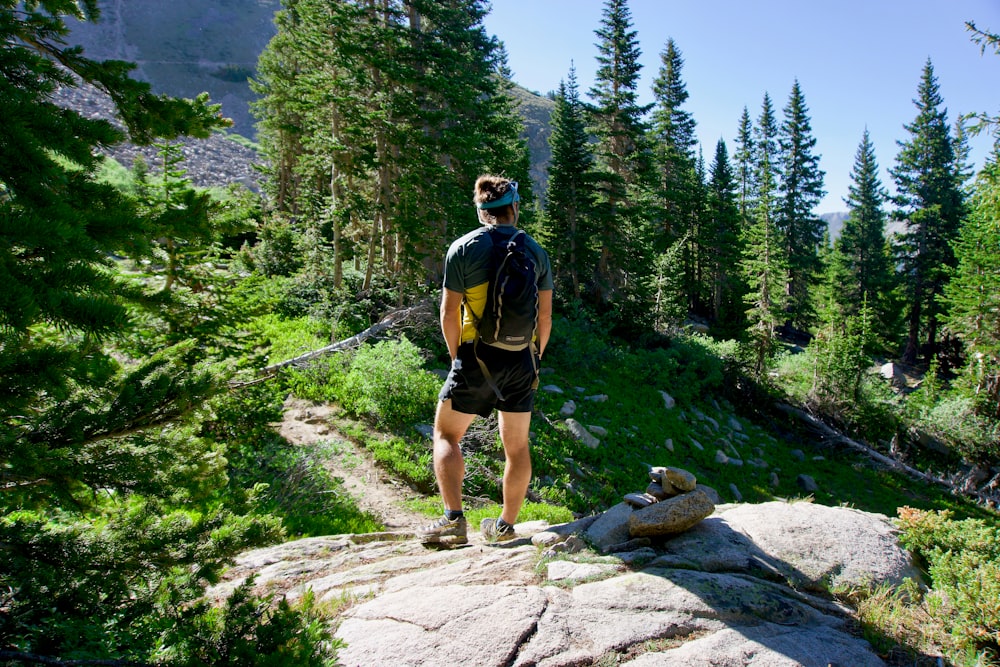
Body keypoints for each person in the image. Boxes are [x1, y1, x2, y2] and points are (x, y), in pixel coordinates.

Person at [418, 175, 553, 545]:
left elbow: (448, 313)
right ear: (514, 207)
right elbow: (545, 319)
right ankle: (506, 528)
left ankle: (453, 521)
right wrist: (533, 358)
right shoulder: (536, 251)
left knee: (447, 433)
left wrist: (457, 358)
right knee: (518, 446)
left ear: (482, 211)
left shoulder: (463, 247)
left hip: (476, 356)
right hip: (523, 360)